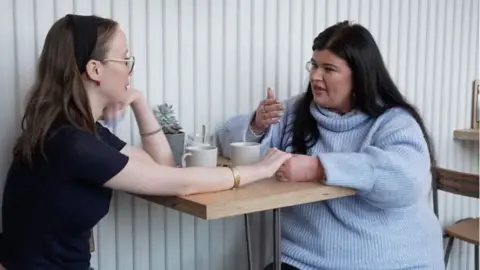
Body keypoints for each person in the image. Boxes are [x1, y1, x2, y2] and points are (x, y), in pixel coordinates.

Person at [0, 14, 292, 270]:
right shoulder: (71, 143)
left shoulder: (79, 131)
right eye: (125, 59)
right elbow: (179, 183)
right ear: (95, 70)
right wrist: (257, 171)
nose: (130, 69)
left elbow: (163, 166)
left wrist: (139, 102)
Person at [217, 21, 444, 270]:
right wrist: (257, 125)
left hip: (392, 260)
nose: (315, 76)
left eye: (329, 68)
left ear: (359, 76)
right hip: (303, 259)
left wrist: (318, 168)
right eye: (313, 65)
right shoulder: (297, 110)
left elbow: (408, 180)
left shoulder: (394, 121)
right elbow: (228, 143)